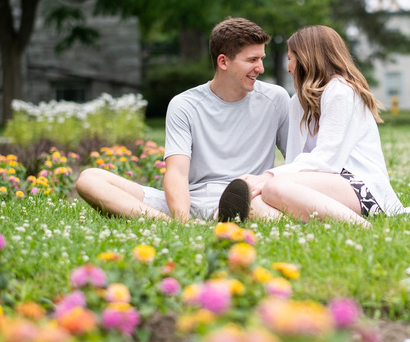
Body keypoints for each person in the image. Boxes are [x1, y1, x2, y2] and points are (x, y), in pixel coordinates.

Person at [76, 17, 289, 222]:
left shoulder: (276, 99)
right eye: (252, 60)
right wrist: (183, 219)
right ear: (223, 61)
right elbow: (176, 172)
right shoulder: (184, 105)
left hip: (248, 200)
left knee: (269, 214)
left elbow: (298, 162)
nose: (260, 68)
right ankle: (166, 223)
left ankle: (220, 217)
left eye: (261, 59)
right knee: (90, 179)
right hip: (190, 201)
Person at [218, 25, 408, 228]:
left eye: (290, 58)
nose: (288, 67)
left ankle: (359, 226)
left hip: (360, 187)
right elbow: (294, 158)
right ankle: (295, 228)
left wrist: (268, 177)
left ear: (307, 58)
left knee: (274, 186)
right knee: (254, 199)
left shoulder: (341, 91)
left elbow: (328, 159)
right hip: (321, 187)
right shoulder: (297, 102)